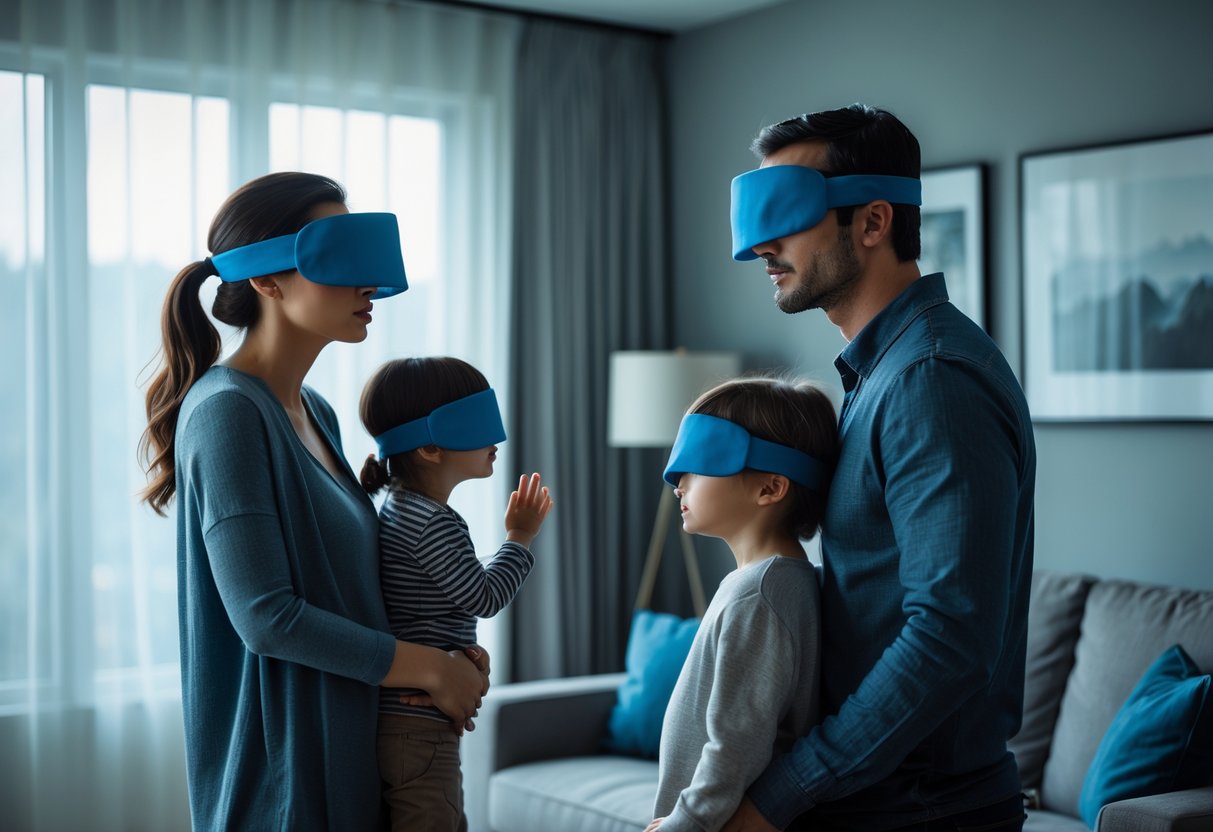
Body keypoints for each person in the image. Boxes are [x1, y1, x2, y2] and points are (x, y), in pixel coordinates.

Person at [139, 172, 490, 831]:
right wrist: (427, 669)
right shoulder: (226, 414)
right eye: (342, 261)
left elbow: (352, 587)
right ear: (268, 280)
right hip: (284, 775)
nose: (371, 286)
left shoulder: (316, 413)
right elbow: (267, 616)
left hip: (349, 743)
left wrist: (447, 651)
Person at [723, 104, 1036, 831]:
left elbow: (948, 639)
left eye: (786, 213)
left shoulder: (930, 378)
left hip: (921, 811)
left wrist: (776, 799)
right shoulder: (883, 372)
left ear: (871, 222)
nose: (760, 246)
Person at [358, 356, 554, 831]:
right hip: (417, 721)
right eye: (479, 423)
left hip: (411, 713)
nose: (497, 439)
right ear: (430, 447)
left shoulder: (403, 508)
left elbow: (452, 591)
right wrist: (520, 537)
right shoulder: (431, 522)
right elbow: (484, 597)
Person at [646, 375, 839, 832]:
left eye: (698, 463)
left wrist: (688, 821)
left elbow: (735, 741)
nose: (677, 483)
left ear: (770, 488)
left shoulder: (758, 595)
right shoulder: (776, 583)